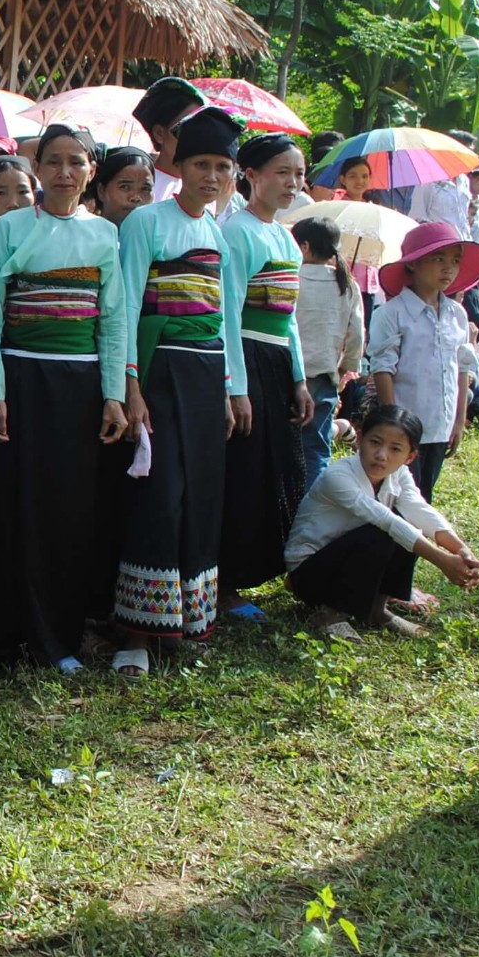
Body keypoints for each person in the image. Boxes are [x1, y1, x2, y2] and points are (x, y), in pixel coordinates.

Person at [0, 124, 127, 678]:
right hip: (20, 383)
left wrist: (112, 395)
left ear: (90, 171)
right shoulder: (9, 228)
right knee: (4, 506)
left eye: (75, 162)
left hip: (78, 390)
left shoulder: (104, 235)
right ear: (39, 170)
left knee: (66, 512)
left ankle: (57, 640)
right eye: (53, 161)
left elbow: (112, 319)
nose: (63, 172)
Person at [110, 107, 249, 675]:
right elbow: (125, 307)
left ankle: (184, 622)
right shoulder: (148, 222)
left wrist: (230, 389)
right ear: (178, 165)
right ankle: (137, 635)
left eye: (221, 166)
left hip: (204, 374)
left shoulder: (217, 230)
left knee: (200, 494)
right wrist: (131, 384)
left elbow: (226, 317)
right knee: (158, 493)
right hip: (160, 371)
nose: (210, 176)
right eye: (200, 164)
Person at [285, 405, 479, 643]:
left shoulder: (399, 475)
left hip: (346, 563)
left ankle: (376, 609)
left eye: (395, 449)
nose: (381, 455)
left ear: (410, 456)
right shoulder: (338, 476)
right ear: (359, 439)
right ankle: (329, 614)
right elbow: (386, 521)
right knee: (385, 532)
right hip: (309, 574)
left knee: (407, 525)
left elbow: (421, 511)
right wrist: (443, 561)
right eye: (375, 443)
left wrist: (460, 549)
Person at [218, 134, 314, 618]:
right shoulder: (238, 232)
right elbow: (229, 314)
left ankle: (263, 567)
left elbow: (289, 316)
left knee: (277, 468)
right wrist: (236, 387)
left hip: (276, 363)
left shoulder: (284, 236)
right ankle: (226, 582)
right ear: (250, 175)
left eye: (298, 173)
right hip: (248, 360)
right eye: (282, 172)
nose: (292, 183)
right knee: (246, 472)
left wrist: (298, 377)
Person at [367, 221, 479, 605]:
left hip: (438, 424)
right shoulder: (394, 312)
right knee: (395, 504)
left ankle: (400, 585)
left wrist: (459, 418)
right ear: (414, 265)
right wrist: (391, 423)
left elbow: (463, 368)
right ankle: (385, 585)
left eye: (454, 260)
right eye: (438, 259)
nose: (448, 268)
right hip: (404, 427)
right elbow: (383, 366)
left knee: (423, 504)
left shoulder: (455, 314)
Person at [292, 218, 363, 493]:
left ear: (305, 246)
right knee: (316, 448)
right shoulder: (347, 284)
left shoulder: (293, 278)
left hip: (291, 376)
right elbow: (356, 334)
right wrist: (347, 368)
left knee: (287, 444)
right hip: (324, 377)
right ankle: (309, 510)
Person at [130, 76, 206, 201]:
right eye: (187, 128)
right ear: (159, 134)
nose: (197, 137)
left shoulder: (208, 188)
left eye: (202, 128)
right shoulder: (140, 186)